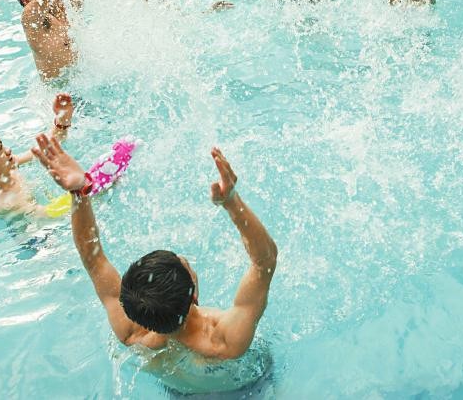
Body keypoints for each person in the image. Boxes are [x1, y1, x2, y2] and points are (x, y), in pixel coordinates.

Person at [30, 135, 278, 385]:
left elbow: (93, 259)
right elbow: (265, 261)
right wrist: (231, 202)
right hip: (245, 388)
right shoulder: (224, 342)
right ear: (194, 292)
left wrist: (79, 192)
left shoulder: (131, 334)